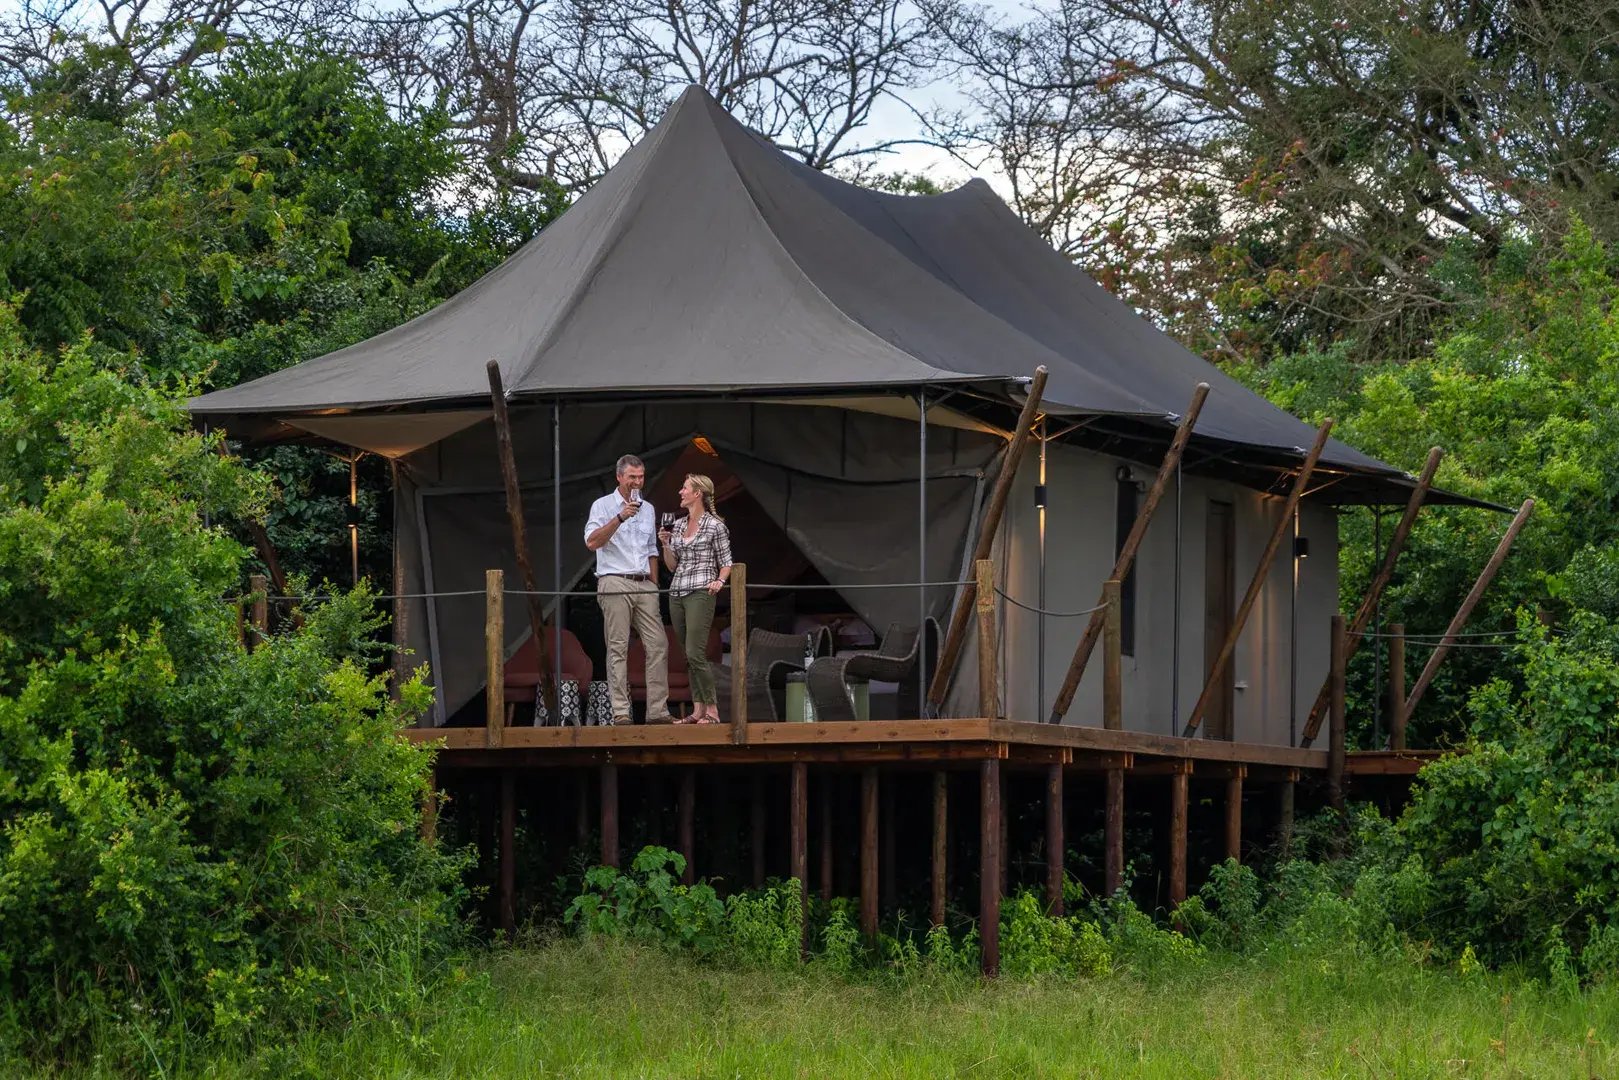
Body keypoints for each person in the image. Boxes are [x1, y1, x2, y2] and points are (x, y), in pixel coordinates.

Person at [584, 454, 671, 725]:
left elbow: (650, 550)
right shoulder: (602, 506)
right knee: (618, 647)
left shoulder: (648, 508)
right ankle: (621, 712)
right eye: (632, 477)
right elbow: (591, 542)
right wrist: (620, 517)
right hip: (614, 579)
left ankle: (657, 712)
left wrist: (654, 585)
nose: (637, 482)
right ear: (619, 477)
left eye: (641, 476)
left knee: (658, 644)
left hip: (644, 582)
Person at [658, 474, 733, 724]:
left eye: (684, 488)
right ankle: (698, 710)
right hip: (677, 592)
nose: (680, 492)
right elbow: (671, 566)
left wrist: (720, 581)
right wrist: (666, 545)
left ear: (697, 493)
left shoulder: (715, 526)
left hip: (701, 591)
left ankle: (712, 711)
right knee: (688, 655)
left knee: (695, 652)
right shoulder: (678, 525)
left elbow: (726, 563)